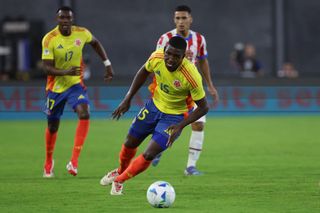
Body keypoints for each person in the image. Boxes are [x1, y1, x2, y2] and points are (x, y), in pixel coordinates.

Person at [99, 36, 209, 195]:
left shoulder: (191, 75)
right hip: (153, 107)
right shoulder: (157, 57)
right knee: (130, 142)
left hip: (175, 117)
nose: (170, 59)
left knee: (150, 153)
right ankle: (120, 171)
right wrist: (128, 98)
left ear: (183, 57)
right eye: (168, 54)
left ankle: (119, 180)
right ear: (164, 50)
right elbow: (143, 71)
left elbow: (204, 107)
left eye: (176, 56)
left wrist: (181, 125)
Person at [41, 6, 114, 178]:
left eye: (68, 18)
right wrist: (65, 72)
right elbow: (46, 68)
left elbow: (95, 43)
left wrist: (107, 64)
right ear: (57, 19)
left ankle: (74, 161)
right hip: (55, 88)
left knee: (84, 113)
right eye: (62, 18)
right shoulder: (49, 39)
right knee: (52, 126)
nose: (65, 21)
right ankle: (48, 161)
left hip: (75, 85)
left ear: (72, 20)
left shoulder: (81, 33)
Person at [150, 5, 219, 176]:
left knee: (198, 124)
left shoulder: (199, 39)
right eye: (177, 18)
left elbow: (203, 61)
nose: (181, 22)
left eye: (184, 18)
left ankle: (190, 167)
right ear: (174, 20)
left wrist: (210, 84)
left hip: (193, 89)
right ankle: (158, 149)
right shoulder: (165, 39)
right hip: (173, 91)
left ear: (190, 19)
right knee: (168, 124)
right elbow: (156, 63)